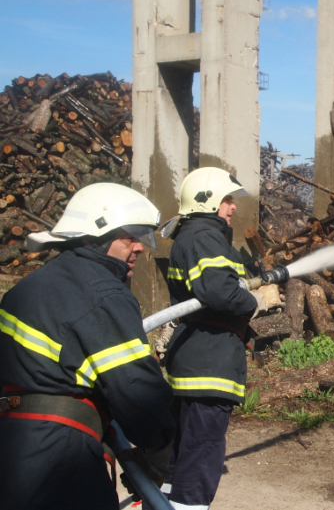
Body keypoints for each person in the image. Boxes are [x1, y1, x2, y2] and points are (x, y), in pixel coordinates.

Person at [0, 183, 175, 510]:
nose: (139, 247)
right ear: (95, 238)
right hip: (61, 459)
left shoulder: (30, 286)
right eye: (129, 237)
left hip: (12, 446)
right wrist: (160, 450)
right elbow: (138, 390)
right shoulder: (104, 294)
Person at [162, 167, 269, 509]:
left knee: (183, 452)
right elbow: (219, 291)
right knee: (201, 453)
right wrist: (256, 301)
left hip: (197, 357)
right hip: (208, 362)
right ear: (206, 202)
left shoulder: (196, 236)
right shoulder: (205, 236)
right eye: (226, 200)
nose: (232, 207)